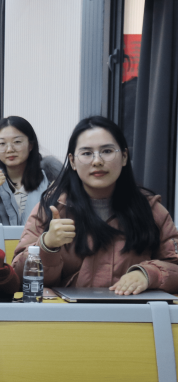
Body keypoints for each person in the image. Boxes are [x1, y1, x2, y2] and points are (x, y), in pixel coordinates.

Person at [12, 116, 178, 295]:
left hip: (133, 312)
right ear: (73, 161)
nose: (97, 161)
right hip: (67, 312)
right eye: (86, 153)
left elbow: (174, 265)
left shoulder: (151, 211)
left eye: (107, 151)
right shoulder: (52, 208)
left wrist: (149, 274)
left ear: (124, 157)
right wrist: (47, 245)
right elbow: (17, 276)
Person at [0, 116, 60, 226]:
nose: (9, 149)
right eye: (2, 143)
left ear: (30, 145)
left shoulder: (52, 181)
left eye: (17, 142)